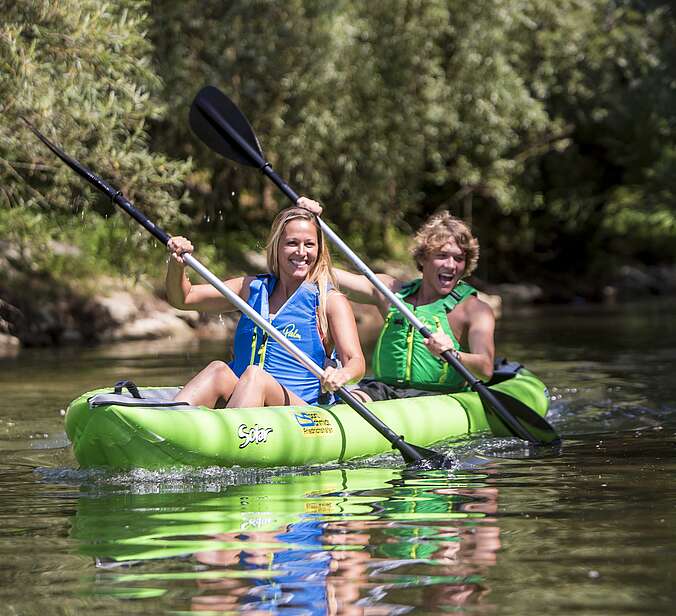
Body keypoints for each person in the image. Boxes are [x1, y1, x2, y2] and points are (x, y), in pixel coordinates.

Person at [165, 205, 365, 408]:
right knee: (219, 370)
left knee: (255, 377)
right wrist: (177, 265)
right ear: (276, 247)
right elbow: (183, 298)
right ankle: (165, 428)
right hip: (247, 401)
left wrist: (342, 374)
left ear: (319, 249)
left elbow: (355, 361)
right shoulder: (251, 288)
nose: (301, 252)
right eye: (292, 243)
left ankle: (232, 434)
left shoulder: (329, 301)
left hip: (302, 411)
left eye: (310, 244)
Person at [297, 198, 495, 402]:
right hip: (382, 390)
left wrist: (453, 354)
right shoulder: (391, 293)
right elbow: (323, 274)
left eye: (459, 258)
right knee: (349, 401)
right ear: (423, 258)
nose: (451, 265)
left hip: (439, 398)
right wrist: (311, 226)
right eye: (442, 255)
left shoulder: (475, 309)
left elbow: (486, 368)